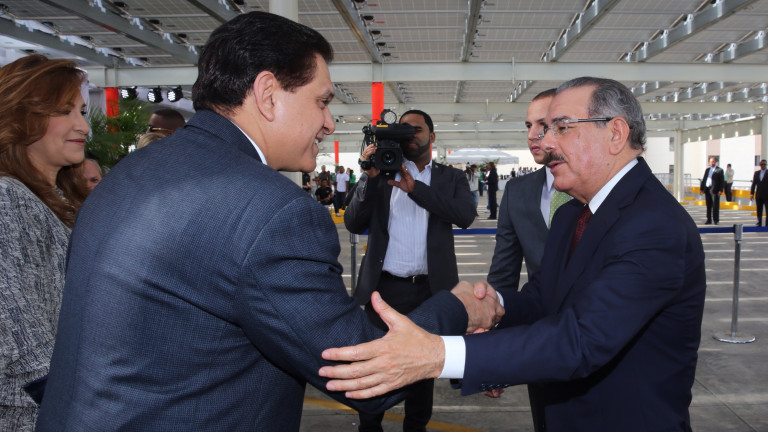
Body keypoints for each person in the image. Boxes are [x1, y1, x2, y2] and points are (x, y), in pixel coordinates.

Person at [36, 12, 502, 432]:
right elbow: (364, 373)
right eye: (321, 101)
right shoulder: (272, 211)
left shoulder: (130, 173)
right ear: (267, 95)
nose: (328, 123)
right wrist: (459, 308)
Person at [320, 77, 707, 432]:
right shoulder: (573, 213)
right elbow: (543, 297)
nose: (546, 142)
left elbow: (580, 340)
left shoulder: (654, 225)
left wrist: (438, 354)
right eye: (545, 129)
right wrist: (492, 303)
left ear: (615, 133)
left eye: (561, 127)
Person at [344, 108, 476, 432]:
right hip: (384, 291)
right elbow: (353, 222)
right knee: (373, 364)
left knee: (421, 371)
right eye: (402, 130)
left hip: (430, 291)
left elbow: (464, 215)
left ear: (432, 136)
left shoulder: (451, 178)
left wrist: (415, 188)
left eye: (416, 129)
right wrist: (368, 176)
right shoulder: (381, 172)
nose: (409, 135)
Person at [0, 54, 90, 431]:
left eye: (81, 111)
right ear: (20, 117)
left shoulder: (56, 198)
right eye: (63, 111)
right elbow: (14, 320)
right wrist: (66, 403)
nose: (83, 126)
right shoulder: (7, 197)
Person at [487, 88, 568, 292]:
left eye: (543, 125)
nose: (532, 135)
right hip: (539, 310)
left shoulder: (600, 186)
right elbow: (503, 274)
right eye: (529, 126)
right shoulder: (516, 192)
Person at [700, 156, 724, 225]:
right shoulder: (707, 170)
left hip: (715, 190)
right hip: (707, 190)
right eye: (710, 161)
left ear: (715, 162)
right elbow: (704, 179)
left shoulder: (719, 170)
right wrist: (702, 188)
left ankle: (716, 220)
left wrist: (720, 190)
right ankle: (709, 220)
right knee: (708, 206)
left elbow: (722, 181)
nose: (711, 163)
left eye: (713, 161)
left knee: (715, 206)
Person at [751, 159, 768, 226]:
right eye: (761, 164)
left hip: (767, 195)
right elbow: (753, 184)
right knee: (759, 210)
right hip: (759, 195)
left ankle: (767, 224)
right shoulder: (756, 173)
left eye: (764, 164)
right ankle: (759, 222)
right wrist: (751, 194)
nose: (763, 166)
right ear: (760, 165)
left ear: (766, 165)